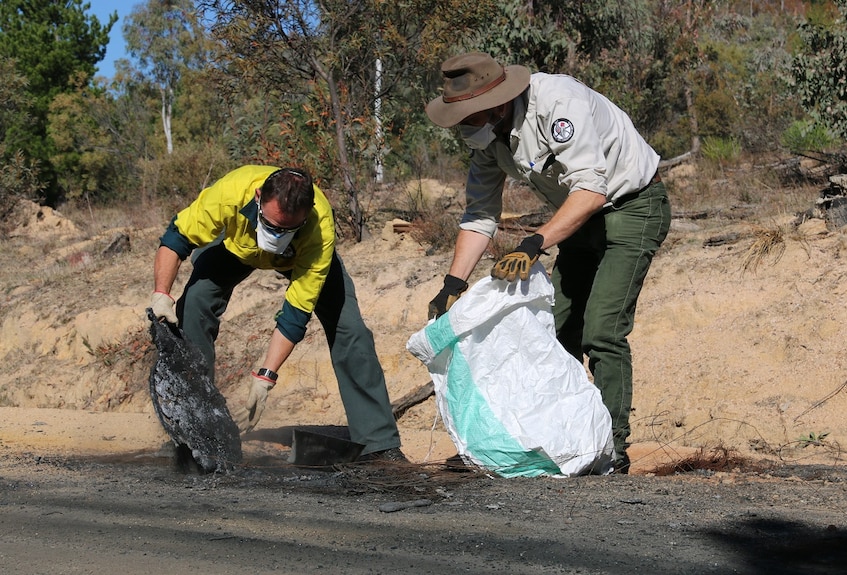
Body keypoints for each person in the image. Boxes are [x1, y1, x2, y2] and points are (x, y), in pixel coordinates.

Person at [425, 52, 670, 473]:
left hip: (631, 207)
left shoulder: (558, 102)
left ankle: (612, 449)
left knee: (603, 330)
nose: (463, 127)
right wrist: (452, 284)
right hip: (579, 220)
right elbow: (480, 215)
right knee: (554, 332)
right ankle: (561, 440)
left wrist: (535, 242)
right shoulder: (489, 139)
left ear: (496, 105)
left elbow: (591, 190)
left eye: (468, 117)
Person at [149, 165, 405, 462]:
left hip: (298, 259)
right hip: (236, 246)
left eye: (287, 229)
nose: (276, 234)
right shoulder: (231, 192)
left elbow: (296, 313)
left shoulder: (319, 226)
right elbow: (177, 238)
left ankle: (379, 444)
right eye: (271, 225)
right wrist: (161, 295)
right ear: (258, 197)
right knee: (193, 304)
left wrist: (265, 376)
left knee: (351, 331)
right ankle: (195, 431)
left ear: (306, 215)